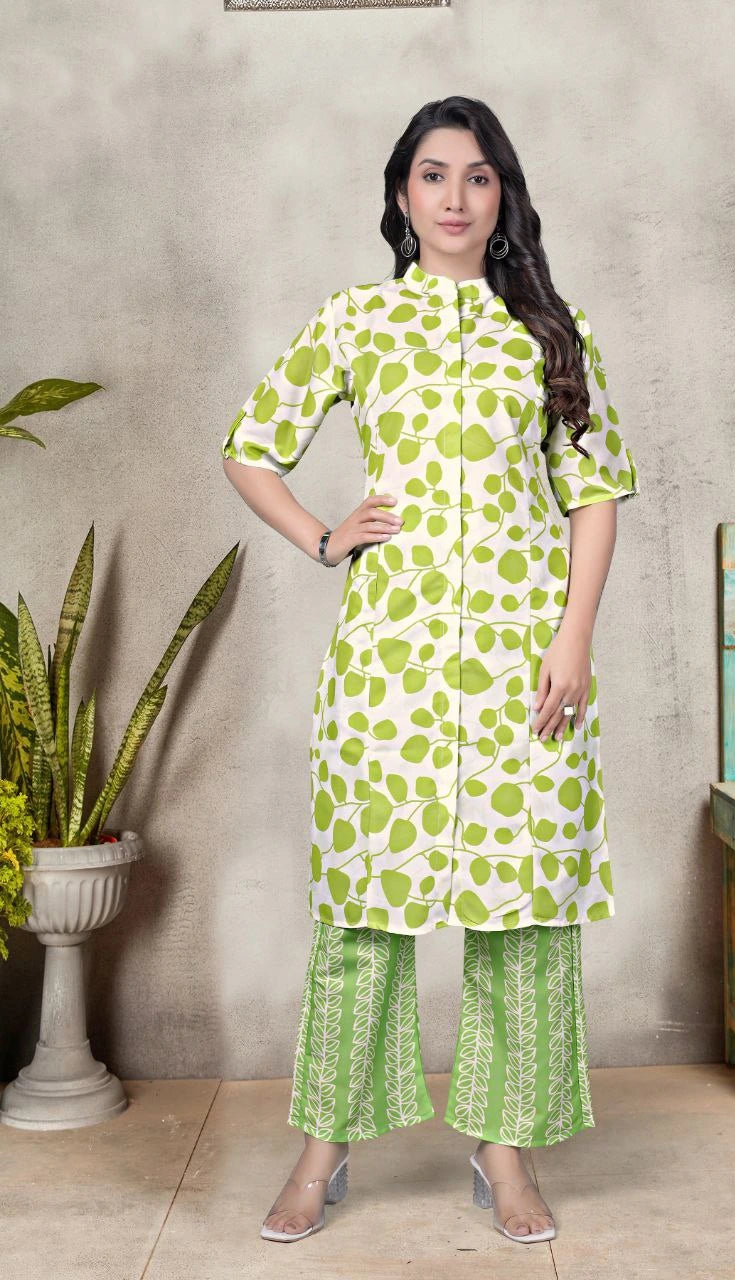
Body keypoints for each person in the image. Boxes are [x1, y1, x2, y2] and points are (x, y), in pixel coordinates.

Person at [222, 95, 638, 1246]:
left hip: (523, 663)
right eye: (432, 176)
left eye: (478, 177)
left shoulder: (552, 332)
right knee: (363, 907)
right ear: (402, 196)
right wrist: (321, 534)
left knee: (518, 916)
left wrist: (573, 638)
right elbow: (250, 442)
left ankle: (503, 1156)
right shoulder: (358, 321)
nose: (455, 198)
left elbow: (593, 494)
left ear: (503, 196)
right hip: (390, 668)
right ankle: (323, 1155)